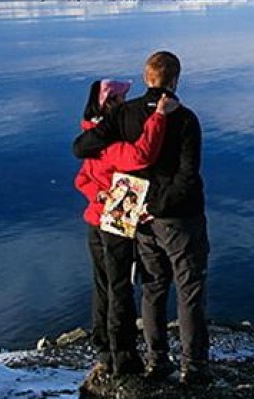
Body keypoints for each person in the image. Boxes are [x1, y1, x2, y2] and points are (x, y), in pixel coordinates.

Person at [73, 52, 210, 386]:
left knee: (152, 288)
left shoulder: (123, 113)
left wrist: (143, 204)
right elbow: (188, 175)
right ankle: (193, 367)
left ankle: (156, 361)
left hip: (142, 218)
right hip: (180, 217)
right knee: (190, 289)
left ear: (147, 78)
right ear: (175, 80)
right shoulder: (187, 119)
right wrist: (162, 204)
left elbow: (82, 146)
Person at [73, 79, 176, 378]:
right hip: (115, 222)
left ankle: (104, 349)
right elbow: (142, 155)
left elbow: (82, 180)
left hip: (93, 221)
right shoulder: (111, 144)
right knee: (120, 289)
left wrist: (97, 196)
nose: (126, 104)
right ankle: (124, 357)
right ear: (110, 104)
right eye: (121, 99)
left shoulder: (90, 136)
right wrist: (159, 117)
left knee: (102, 286)